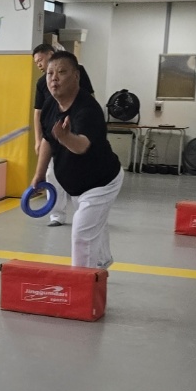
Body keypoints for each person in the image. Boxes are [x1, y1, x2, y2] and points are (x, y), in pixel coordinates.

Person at [31, 50, 122, 271]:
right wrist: (39, 174)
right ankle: (102, 260)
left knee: (82, 234)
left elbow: (81, 146)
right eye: (50, 73)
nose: (54, 78)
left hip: (101, 183)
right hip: (77, 185)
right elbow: (47, 140)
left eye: (61, 72)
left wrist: (65, 137)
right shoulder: (50, 106)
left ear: (76, 76)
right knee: (93, 223)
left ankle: (82, 285)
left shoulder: (88, 109)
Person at [33, 42, 94, 228]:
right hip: (53, 136)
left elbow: (90, 99)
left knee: (78, 173)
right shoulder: (41, 83)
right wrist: (38, 140)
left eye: (40, 60)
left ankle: (84, 214)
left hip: (76, 133)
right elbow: (38, 112)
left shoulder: (77, 72)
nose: (39, 65)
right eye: (36, 63)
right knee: (52, 174)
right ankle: (56, 215)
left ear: (51, 54)